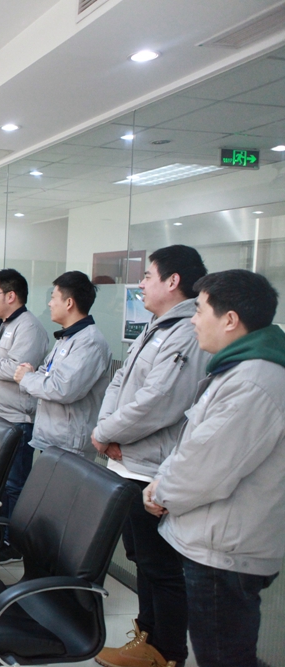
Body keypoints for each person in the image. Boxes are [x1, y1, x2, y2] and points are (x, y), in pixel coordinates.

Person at [146, 270, 285, 667]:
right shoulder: (239, 369)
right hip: (218, 542)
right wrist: (162, 481)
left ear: (230, 319)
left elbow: (206, 469)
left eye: (200, 310)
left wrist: (161, 492)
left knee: (224, 657)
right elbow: (195, 443)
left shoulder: (254, 381)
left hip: (225, 553)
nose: (193, 319)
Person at [93, 245, 209, 667]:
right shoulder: (158, 326)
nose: (140, 283)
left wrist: (106, 433)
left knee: (160, 566)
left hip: (150, 469)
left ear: (172, 281)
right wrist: (104, 431)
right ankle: (146, 640)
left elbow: (159, 401)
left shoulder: (186, 332)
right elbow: (120, 382)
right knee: (142, 558)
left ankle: (167, 652)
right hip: (127, 459)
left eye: (147, 275)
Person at [0, 268, 50, 564]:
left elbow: (17, 370)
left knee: (15, 484)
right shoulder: (0, 325)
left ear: (11, 296)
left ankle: (13, 543)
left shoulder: (29, 328)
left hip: (18, 419)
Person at [14, 271, 111, 460]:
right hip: (52, 438)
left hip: (70, 446)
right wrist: (33, 376)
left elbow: (62, 388)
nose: (49, 304)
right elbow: (46, 373)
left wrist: (26, 377)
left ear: (69, 303)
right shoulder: (67, 337)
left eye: (53, 298)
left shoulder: (89, 342)